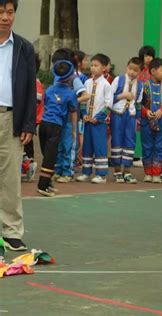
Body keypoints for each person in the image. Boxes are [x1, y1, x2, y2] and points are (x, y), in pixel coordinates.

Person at [0, 0, 37, 251]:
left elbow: (30, 88)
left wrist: (27, 123)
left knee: (10, 178)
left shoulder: (23, 47)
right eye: (1, 11)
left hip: (10, 119)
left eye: (10, 12)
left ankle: (11, 230)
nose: (5, 17)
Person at [37, 61, 78, 197]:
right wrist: (73, 130)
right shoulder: (71, 93)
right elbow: (73, 112)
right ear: (70, 76)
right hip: (55, 126)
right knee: (51, 156)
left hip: (44, 124)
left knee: (47, 155)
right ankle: (42, 186)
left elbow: (45, 104)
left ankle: (48, 183)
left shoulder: (49, 89)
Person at [51, 48, 89, 183]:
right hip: (57, 118)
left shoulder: (74, 78)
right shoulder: (56, 76)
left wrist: (71, 101)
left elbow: (86, 96)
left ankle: (68, 172)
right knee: (59, 145)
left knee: (68, 145)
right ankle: (58, 170)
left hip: (69, 119)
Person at [75, 54, 113, 184]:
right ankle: (86, 172)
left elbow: (109, 105)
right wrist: (84, 114)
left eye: (96, 65)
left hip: (99, 123)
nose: (92, 68)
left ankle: (101, 174)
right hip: (88, 121)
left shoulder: (106, 85)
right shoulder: (87, 82)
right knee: (87, 146)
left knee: (100, 146)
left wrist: (99, 117)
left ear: (104, 68)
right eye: (92, 65)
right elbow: (84, 100)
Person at [140, 57, 162, 183]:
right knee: (147, 147)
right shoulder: (143, 87)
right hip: (146, 123)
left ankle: (157, 173)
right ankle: (148, 173)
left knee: (159, 147)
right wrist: (146, 111)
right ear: (153, 71)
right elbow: (138, 104)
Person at [110, 57, 144, 184]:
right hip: (117, 114)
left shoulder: (140, 85)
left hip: (130, 116)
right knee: (117, 141)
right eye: (130, 69)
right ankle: (117, 171)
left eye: (135, 70)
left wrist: (138, 119)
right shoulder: (118, 80)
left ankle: (127, 171)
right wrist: (123, 95)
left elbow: (139, 104)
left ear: (140, 71)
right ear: (126, 67)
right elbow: (109, 97)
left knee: (130, 142)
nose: (132, 72)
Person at [22, 53, 43, 183]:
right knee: (23, 144)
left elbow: (35, 103)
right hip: (25, 118)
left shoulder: (36, 83)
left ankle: (29, 165)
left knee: (26, 144)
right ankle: (27, 165)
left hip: (30, 119)